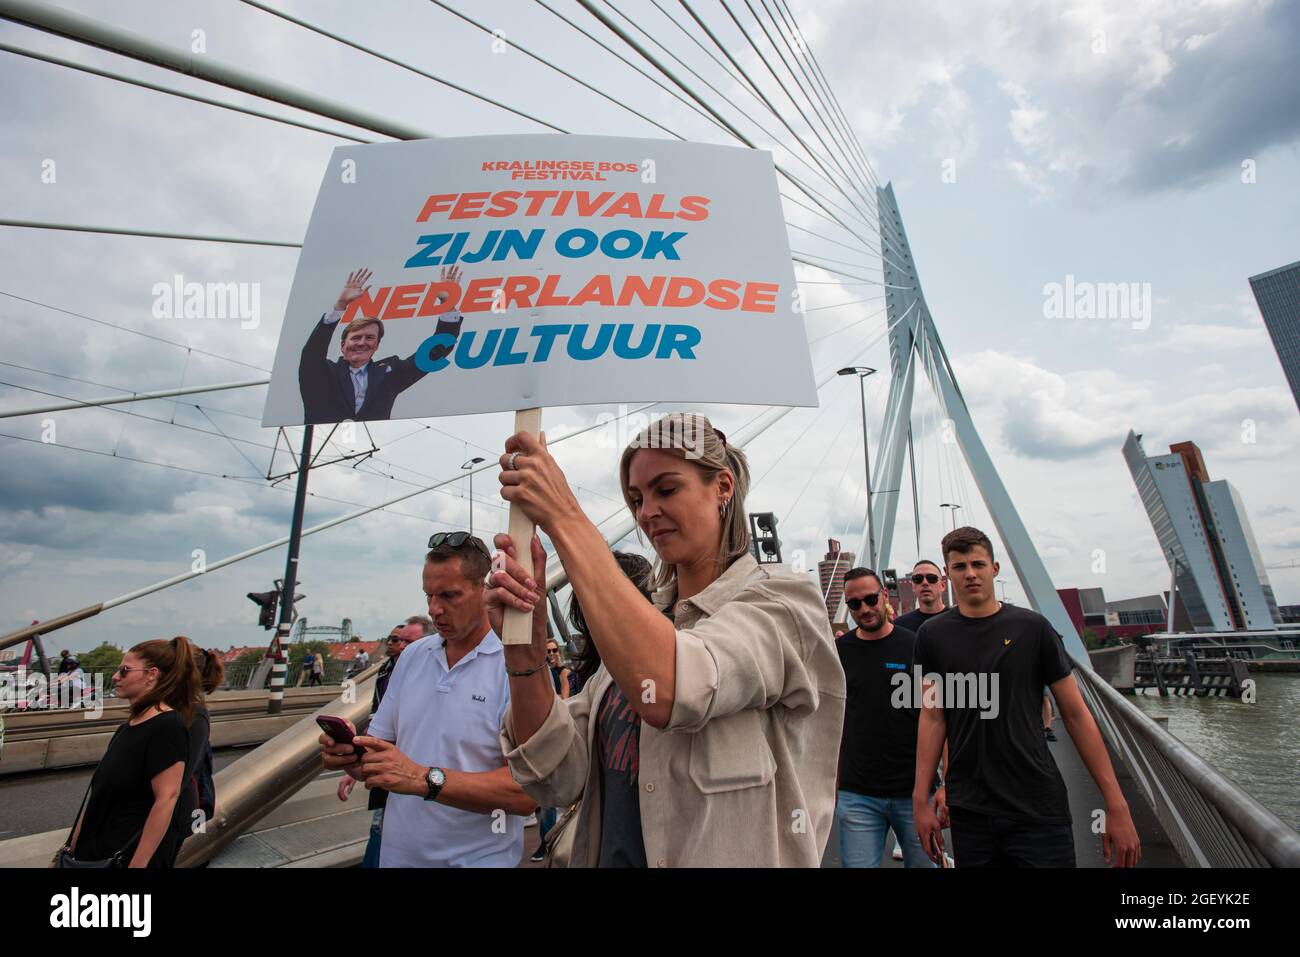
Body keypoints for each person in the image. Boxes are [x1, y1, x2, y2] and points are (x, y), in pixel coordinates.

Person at [491, 411, 846, 867]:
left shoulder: (784, 604)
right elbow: (555, 775)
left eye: (666, 489)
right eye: (637, 498)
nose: (647, 512)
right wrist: (527, 649)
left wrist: (564, 517)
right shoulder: (645, 626)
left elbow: (676, 687)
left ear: (722, 486)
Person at [913, 526, 1142, 868]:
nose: (970, 574)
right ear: (948, 574)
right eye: (960, 567)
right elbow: (933, 717)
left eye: (978, 564)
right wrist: (921, 799)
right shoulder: (932, 636)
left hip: (1037, 806)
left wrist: (1116, 803)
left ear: (994, 568)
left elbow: (1077, 715)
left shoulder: (1033, 629)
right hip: (972, 811)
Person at [319, 534, 535, 867]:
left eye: (449, 595)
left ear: (485, 590)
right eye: (429, 595)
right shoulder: (413, 657)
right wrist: (351, 757)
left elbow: (526, 793)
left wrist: (423, 778)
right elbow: (383, 756)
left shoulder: (518, 668)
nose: (434, 609)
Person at [63, 637, 199, 867]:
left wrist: (137, 865)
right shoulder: (129, 726)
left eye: (124, 671)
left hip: (120, 857)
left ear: (151, 674)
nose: (115, 676)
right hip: (94, 853)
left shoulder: (167, 726)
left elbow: (166, 799)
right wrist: (71, 847)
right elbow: (99, 793)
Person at [835, 568, 936, 868]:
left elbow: (937, 715)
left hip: (915, 790)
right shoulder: (838, 653)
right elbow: (831, 724)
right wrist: (833, 784)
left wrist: (943, 783)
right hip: (857, 794)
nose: (864, 609)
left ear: (884, 596)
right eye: (855, 604)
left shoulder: (915, 646)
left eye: (870, 599)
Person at [297, 266, 465, 424]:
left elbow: (434, 354)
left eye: (369, 338)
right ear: (342, 345)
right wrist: (340, 306)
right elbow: (312, 353)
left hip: (371, 447)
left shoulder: (389, 374)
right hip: (317, 448)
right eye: (356, 338)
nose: (362, 343)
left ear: (377, 345)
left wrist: (448, 305)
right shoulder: (323, 373)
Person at [337, 616, 434, 868]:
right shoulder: (387, 672)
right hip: (390, 781)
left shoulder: (436, 678)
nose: (400, 646)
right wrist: (356, 761)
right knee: (381, 836)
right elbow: (379, 722)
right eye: (396, 640)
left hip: (420, 784)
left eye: (408, 642)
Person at [172, 646, 225, 861]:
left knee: (178, 847)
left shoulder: (193, 715)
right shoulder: (190, 708)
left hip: (190, 807)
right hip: (195, 803)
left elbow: (183, 778)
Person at [894, 559, 949, 633]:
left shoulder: (958, 622)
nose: (925, 583)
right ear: (912, 586)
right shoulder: (899, 626)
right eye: (918, 579)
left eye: (931, 578)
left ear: (943, 586)